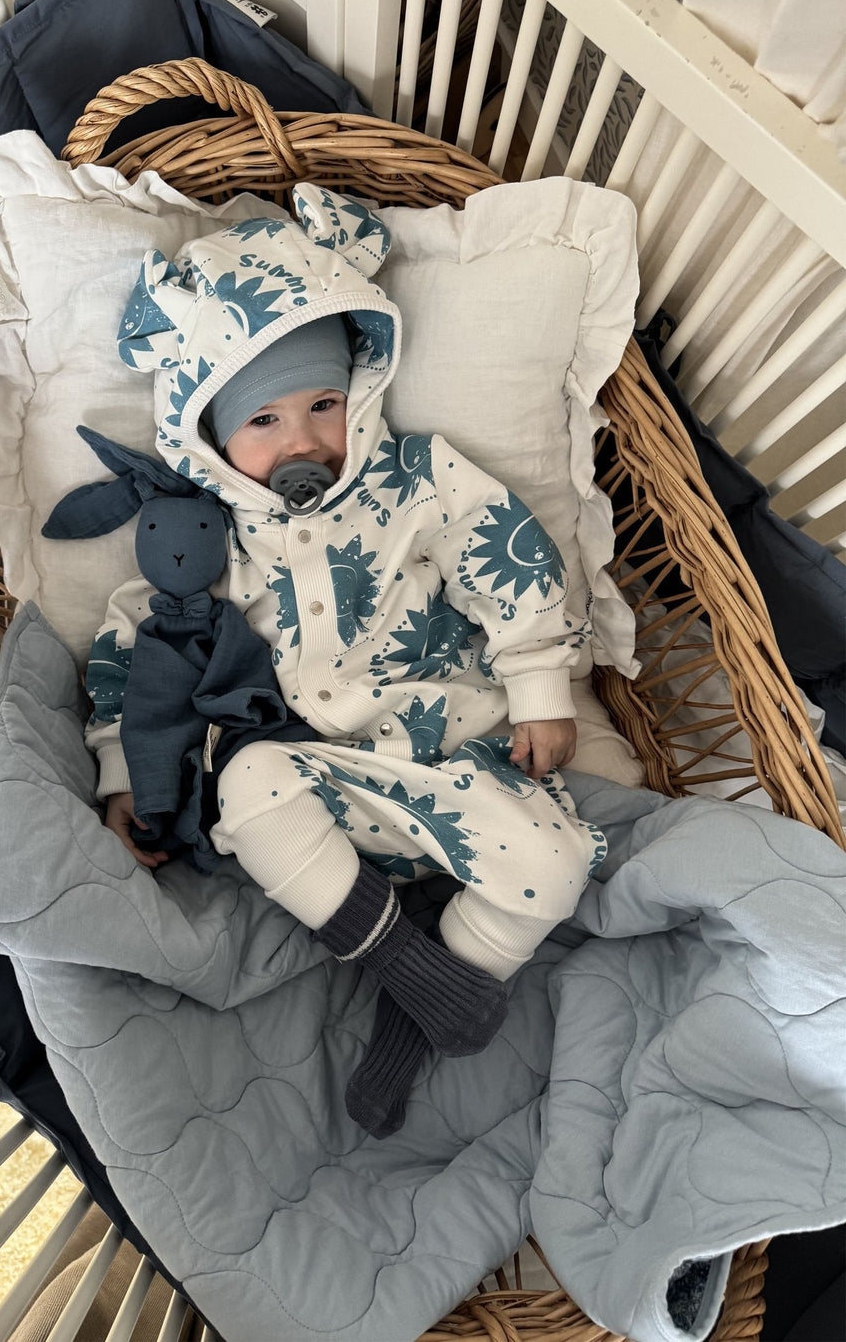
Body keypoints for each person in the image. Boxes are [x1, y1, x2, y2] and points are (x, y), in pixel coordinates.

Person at [85, 184, 608, 1136]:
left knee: (558, 860)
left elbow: (510, 556)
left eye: (323, 403)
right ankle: (404, 966)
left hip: (455, 756)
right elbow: (138, 642)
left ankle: (410, 1025)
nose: (307, 442)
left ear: (358, 390)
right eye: (265, 421)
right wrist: (128, 768)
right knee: (245, 782)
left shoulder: (418, 478)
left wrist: (539, 683)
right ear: (207, 434)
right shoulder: (215, 538)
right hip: (322, 786)